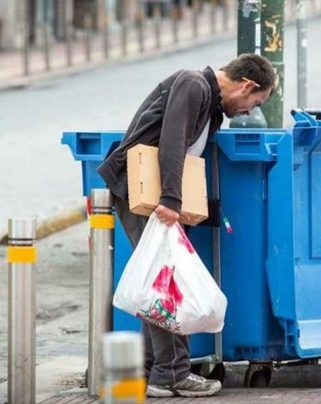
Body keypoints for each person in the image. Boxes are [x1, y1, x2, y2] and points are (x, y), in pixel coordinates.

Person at [97, 54, 276, 397]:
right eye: (256, 101)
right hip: (145, 192)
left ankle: (154, 372)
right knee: (166, 283)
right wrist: (171, 200)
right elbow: (173, 141)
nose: (251, 110)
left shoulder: (211, 104)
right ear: (247, 85)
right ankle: (172, 373)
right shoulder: (194, 84)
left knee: (159, 279)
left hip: (154, 194)